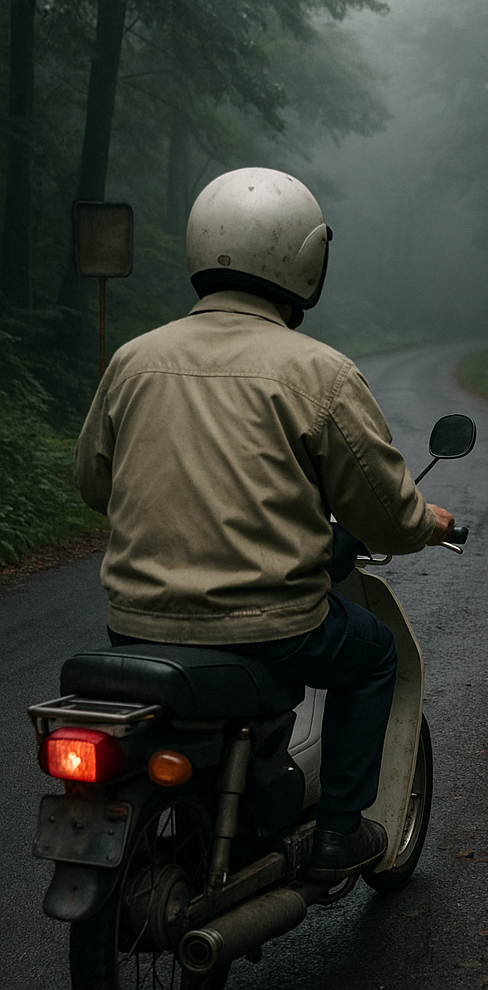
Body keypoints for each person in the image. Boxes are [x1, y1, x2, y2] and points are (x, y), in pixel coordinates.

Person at [74, 167, 455, 882]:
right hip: (275, 627)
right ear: (305, 261)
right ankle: (339, 831)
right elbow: (385, 514)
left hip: (135, 623)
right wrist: (424, 523)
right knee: (374, 655)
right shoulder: (319, 373)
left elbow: (97, 485)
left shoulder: (132, 360)